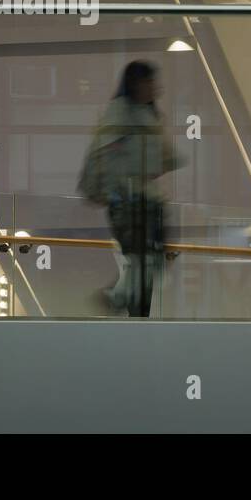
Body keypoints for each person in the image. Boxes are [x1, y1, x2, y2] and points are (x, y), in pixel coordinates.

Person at [79, 61, 182, 317]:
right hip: (128, 202)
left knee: (151, 264)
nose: (154, 88)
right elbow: (104, 155)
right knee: (144, 262)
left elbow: (162, 157)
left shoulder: (146, 114)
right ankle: (119, 300)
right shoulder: (120, 113)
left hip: (148, 202)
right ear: (135, 83)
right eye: (149, 82)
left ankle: (121, 301)